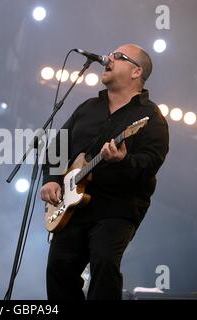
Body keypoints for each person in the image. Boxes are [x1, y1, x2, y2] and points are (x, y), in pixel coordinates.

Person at [41, 44, 169, 300]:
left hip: (117, 207)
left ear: (136, 72)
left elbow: (151, 162)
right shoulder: (88, 107)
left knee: (105, 263)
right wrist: (53, 180)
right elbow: (58, 146)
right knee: (58, 270)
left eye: (119, 56)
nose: (108, 58)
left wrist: (122, 160)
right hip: (72, 206)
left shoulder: (150, 117)